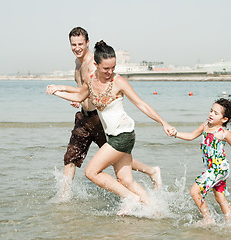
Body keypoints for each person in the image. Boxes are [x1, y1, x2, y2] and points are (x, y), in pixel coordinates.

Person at [47, 39, 175, 207]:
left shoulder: (118, 81)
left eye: (113, 67)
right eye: (106, 68)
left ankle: (131, 198)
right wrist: (57, 92)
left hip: (123, 135)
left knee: (91, 172)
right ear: (96, 64)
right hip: (114, 135)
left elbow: (141, 104)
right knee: (126, 180)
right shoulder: (92, 81)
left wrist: (163, 122)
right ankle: (153, 209)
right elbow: (79, 97)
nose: (110, 72)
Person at [171, 98, 231, 225]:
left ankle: (208, 218)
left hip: (219, 169)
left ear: (224, 119)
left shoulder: (224, 133)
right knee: (219, 197)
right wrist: (175, 133)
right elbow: (190, 136)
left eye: (216, 113)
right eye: (211, 111)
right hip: (212, 169)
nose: (211, 114)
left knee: (194, 191)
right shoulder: (205, 126)